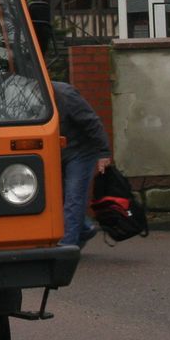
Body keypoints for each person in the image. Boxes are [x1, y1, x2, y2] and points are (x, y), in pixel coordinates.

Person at [53, 81, 113, 247]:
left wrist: (104, 153)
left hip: (81, 151)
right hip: (59, 152)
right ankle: (85, 228)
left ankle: (67, 245)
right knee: (60, 197)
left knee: (74, 197)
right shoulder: (28, 96)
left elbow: (92, 122)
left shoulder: (65, 94)